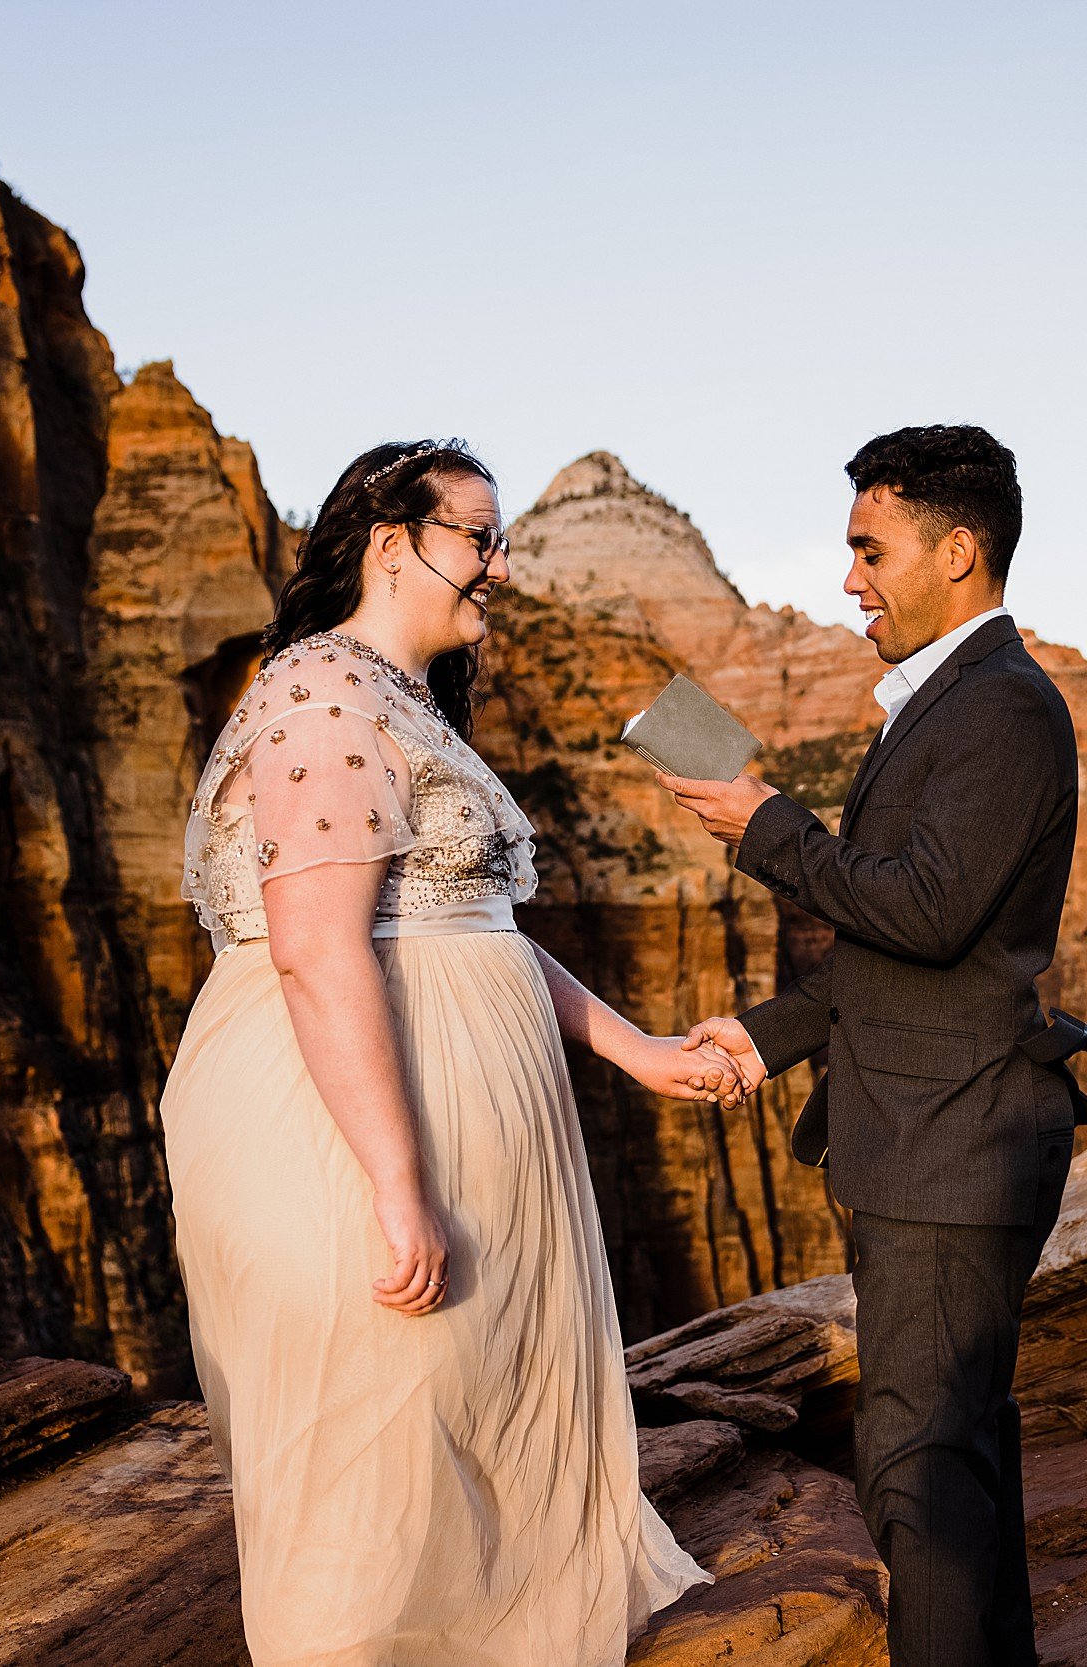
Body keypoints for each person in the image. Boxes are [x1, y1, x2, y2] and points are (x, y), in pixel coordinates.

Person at [162, 439, 723, 1666]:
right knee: (375, 1463)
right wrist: (396, 1184)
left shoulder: (398, 699)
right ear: (388, 540)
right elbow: (314, 946)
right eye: (478, 536)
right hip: (341, 1129)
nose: (500, 566)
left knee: (448, 1446)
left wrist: (637, 1053)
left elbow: (478, 929)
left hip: (429, 1118)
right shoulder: (320, 689)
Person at [660, 425, 1081, 1667]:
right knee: (953, 1448)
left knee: (913, 1459)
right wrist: (765, 1035)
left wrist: (765, 822)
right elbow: (895, 950)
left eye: (867, 547)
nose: (848, 578)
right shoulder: (948, 702)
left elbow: (930, 911)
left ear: (958, 551)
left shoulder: (1001, 706)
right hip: (924, 1134)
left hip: (954, 1144)